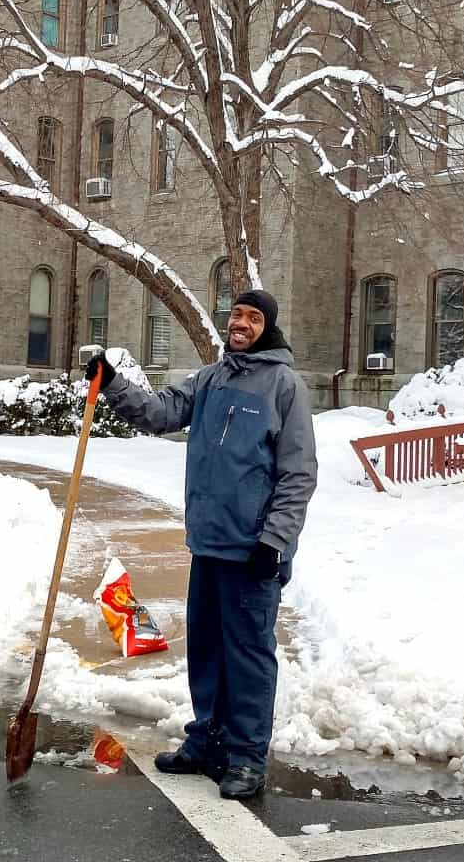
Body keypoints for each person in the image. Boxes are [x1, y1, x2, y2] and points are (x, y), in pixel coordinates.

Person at [85, 289, 317, 799]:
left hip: (253, 551)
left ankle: (248, 757)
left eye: (253, 318)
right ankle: (208, 742)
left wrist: (276, 540)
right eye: (237, 314)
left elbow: (298, 473)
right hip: (208, 546)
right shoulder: (212, 379)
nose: (242, 323)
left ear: (268, 328)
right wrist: (113, 385)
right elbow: (159, 412)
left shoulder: (284, 386)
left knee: (249, 656)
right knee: (208, 653)